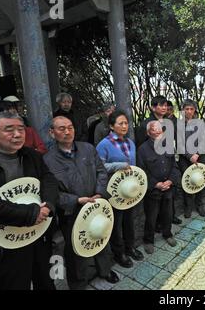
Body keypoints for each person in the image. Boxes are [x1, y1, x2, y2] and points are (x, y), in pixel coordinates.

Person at [0, 111, 58, 290]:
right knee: (13, 283)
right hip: (6, 240)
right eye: (9, 130)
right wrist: (31, 213)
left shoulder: (32, 156)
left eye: (21, 129)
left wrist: (48, 206)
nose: (17, 134)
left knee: (47, 280)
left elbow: (48, 180)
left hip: (39, 233)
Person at [44, 116, 119, 289]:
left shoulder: (88, 149)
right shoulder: (47, 160)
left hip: (96, 205)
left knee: (101, 237)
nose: (67, 131)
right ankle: (78, 282)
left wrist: (100, 193)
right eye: (61, 129)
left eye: (70, 127)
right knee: (76, 249)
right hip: (71, 212)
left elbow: (101, 172)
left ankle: (105, 270)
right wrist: (76, 200)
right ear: (51, 133)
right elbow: (50, 192)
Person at [96, 109, 144, 268]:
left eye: (126, 123)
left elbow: (134, 166)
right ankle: (119, 253)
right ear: (111, 126)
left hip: (129, 190)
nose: (125, 126)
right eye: (120, 123)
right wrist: (119, 165)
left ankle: (130, 247)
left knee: (129, 220)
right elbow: (99, 167)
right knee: (116, 223)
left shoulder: (130, 143)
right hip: (114, 191)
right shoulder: (104, 145)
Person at [136, 96, 182, 225]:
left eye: (165, 105)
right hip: (152, 165)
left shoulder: (168, 121)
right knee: (154, 200)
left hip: (167, 160)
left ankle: (170, 217)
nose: (164, 108)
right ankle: (155, 224)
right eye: (161, 105)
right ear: (153, 107)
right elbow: (141, 146)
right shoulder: (146, 124)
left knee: (169, 193)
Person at [137, 121, 180, 254]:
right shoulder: (142, 149)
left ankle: (167, 234)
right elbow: (141, 171)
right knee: (151, 217)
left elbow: (175, 166)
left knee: (168, 214)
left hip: (168, 188)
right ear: (149, 132)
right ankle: (148, 240)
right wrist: (155, 184)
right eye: (153, 130)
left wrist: (171, 181)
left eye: (159, 129)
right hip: (153, 190)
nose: (157, 132)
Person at [177, 99, 205, 218]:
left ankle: (199, 204)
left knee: (199, 180)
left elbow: (204, 140)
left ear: (195, 110)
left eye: (191, 109)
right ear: (183, 110)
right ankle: (188, 207)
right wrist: (189, 156)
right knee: (187, 182)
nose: (189, 111)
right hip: (184, 158)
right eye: (187, 109)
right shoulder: (179, 124)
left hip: (199, 157)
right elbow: (179, 144)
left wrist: (196, 154)